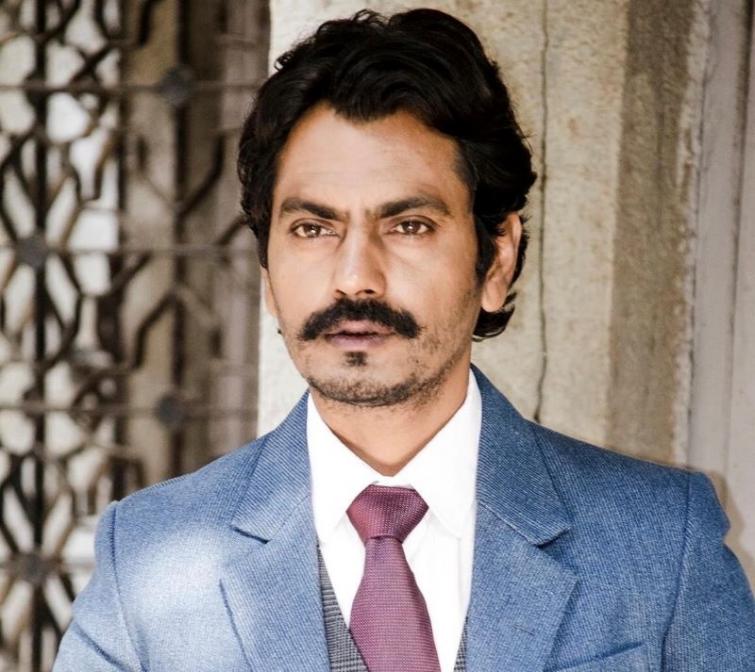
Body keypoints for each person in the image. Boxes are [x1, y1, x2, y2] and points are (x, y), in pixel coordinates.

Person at [54, 8, 755, 672]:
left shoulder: (661, 543)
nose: (354, 276)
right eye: (312, 228)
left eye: (408, 225)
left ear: (496, 259)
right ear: (267, 271)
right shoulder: (144, 561)